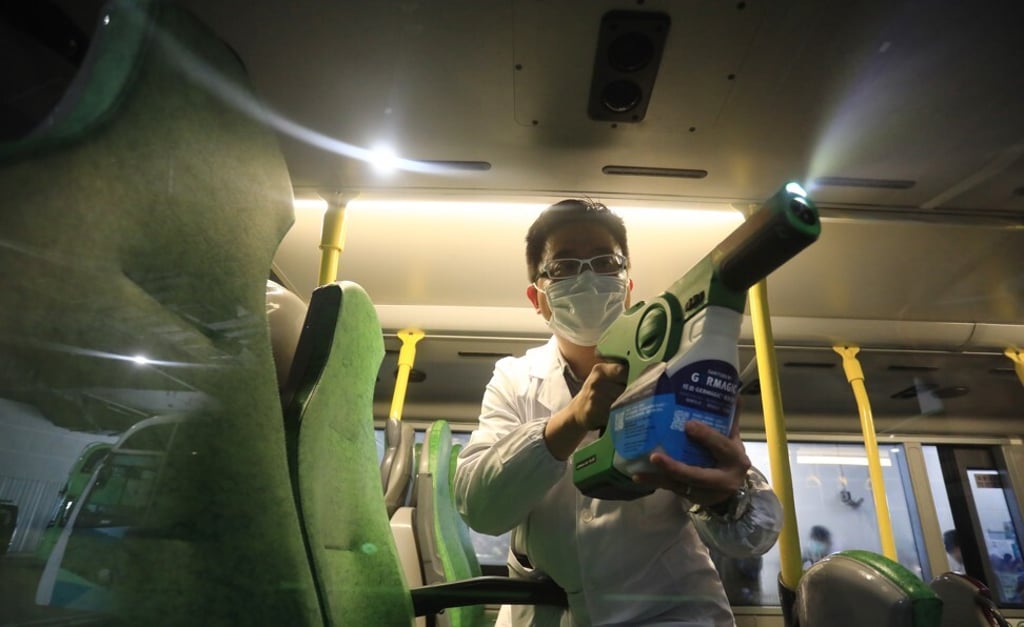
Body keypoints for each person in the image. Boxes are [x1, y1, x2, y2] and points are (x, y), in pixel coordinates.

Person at [453, 199, 783, 626]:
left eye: (605, 262)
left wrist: (725, 499)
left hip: (670, 613)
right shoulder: (514, 378)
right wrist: (572, 419)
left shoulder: (677, 364)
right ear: (538, 298)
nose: (589, 278)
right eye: (565, 267)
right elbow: (480, 508)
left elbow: (753, 535)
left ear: (627, 286)